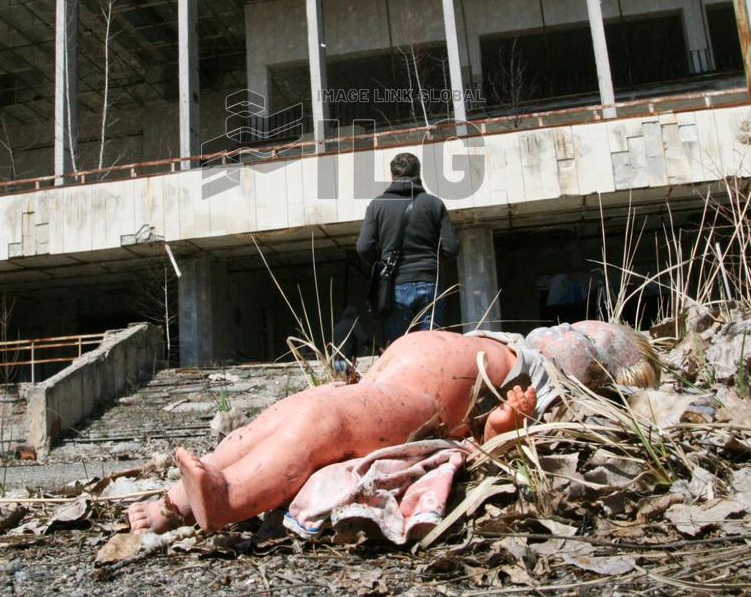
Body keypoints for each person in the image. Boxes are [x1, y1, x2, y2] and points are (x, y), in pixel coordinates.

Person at [126, 320, 657, 535]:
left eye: (592, 339)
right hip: (385, 383)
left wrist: (503, 422)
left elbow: (485, 443)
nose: (572, 329)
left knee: (320, 422)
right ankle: (178, 500)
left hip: (420, 404)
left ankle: (228, 498)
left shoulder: (544, 384)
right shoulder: (520, 339)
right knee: (286, 413)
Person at [356, 152, 459, 343]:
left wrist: (382, 265)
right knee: (430, 347)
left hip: (395, 285)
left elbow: (363, 247)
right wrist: (434, 263)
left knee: (400, 348)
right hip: (430, 282)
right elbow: (451, 248)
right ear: (419, 174)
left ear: (392, 176)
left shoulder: (377, 206)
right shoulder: (434, 204)